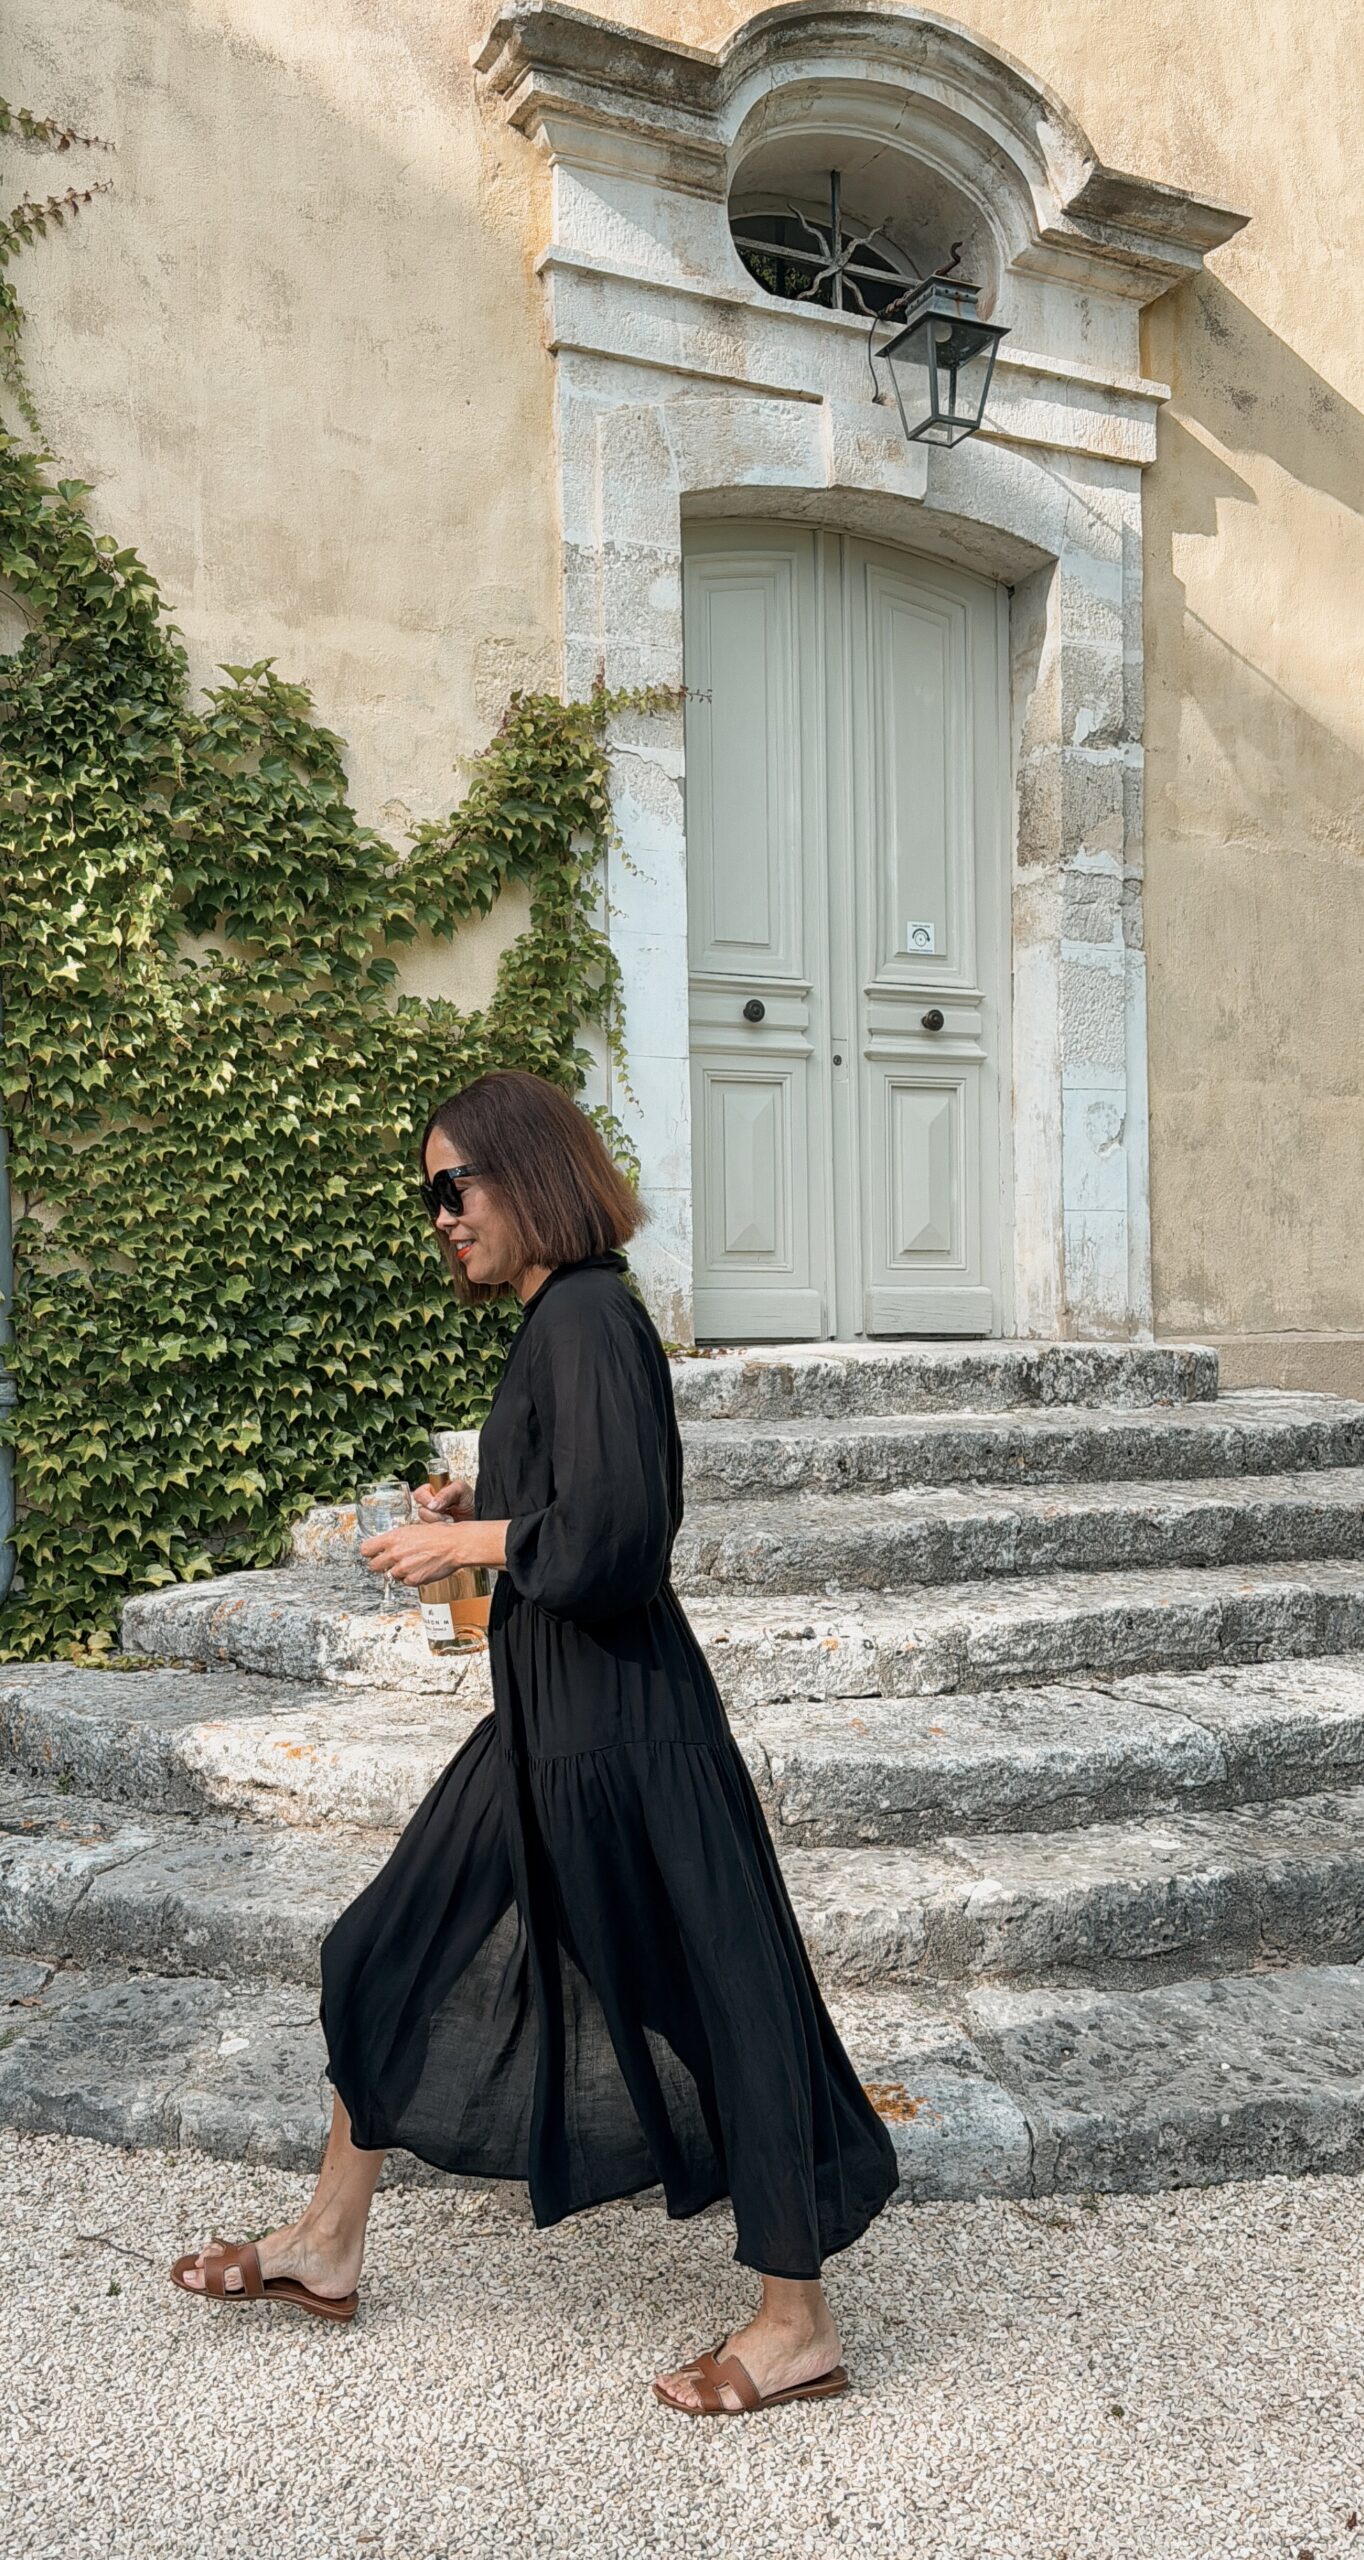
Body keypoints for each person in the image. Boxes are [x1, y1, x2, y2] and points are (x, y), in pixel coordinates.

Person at [171, 1068, 898, 2413]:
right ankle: (328, 2245)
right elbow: (574, 1501)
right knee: (387, 1946)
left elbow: (623, 1538)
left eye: (461, 1184)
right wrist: (487, 1499)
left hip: (625, 1730)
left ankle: (797, 2323)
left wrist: (470, 1536)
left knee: (728, 1996)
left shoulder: (591, 1317)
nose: (442, 1214)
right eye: (429, 1194)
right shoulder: (558, 1325)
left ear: (531, 1173)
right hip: (548, 1728)